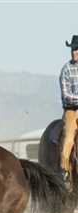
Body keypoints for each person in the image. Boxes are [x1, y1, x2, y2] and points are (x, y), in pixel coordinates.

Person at [60, 35, 78, 189]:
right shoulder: (66, 70)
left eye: (77, 49)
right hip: (71, 110)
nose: (74, 52)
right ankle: (65, 170)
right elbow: (66, 95)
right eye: (73, 49)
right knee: (69, 136)